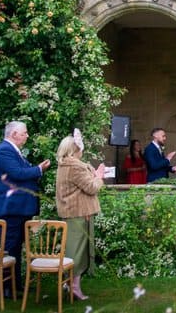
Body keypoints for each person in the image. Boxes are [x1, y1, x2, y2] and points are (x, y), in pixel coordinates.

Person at [0, 120, 51, 297]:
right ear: (14, 134)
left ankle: (15, 284)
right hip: (11, 207)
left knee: (17, 247)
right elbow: (17, 174)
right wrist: (39, 169)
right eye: (24, 132)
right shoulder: (4, 150)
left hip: (18, 207)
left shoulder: (13, 151)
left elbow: (22, 172)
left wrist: (37, 169)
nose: (27, 135)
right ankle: (5, 287)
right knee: (10, 246)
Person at [55, 129, 105, 300]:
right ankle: (72, 285)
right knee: (76, 253)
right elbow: (92, 187)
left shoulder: (66, 165)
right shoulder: (74, 166)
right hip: (78, 214)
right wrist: (99, 176)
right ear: (75, 149)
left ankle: (71, 284)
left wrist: (92, 172)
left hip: (74, 213)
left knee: (75, 251)